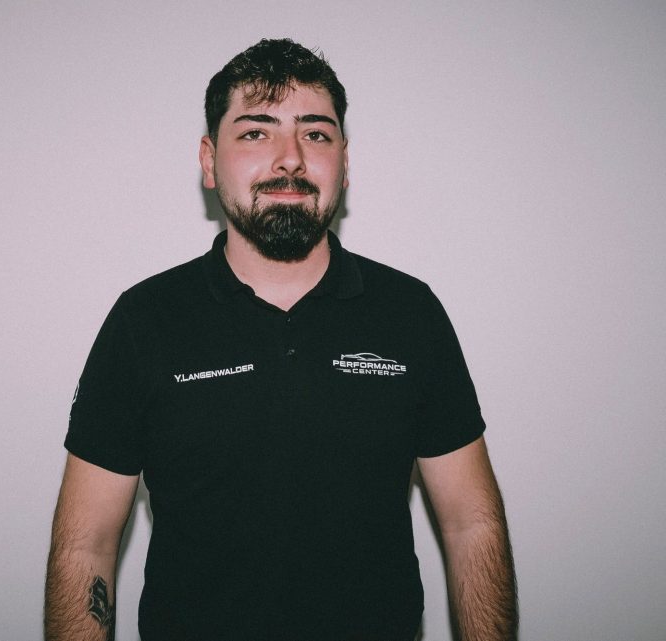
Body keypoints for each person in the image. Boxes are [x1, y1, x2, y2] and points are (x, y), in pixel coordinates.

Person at [44, 38, 517, 641]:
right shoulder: (145, 322)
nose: (290, 159)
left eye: (316, 134)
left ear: (344, 161)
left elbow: (471, 525)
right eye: (256, 133)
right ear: (209, 160)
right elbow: (85, 545)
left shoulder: (410, 314)